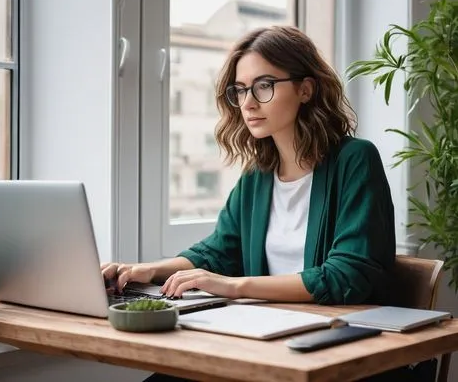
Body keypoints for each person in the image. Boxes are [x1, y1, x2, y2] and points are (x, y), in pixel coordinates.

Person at [103, 26, 404, 382]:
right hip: (269, 340)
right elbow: (218, 252)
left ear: (305, 89)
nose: (248, 102)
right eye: (241, 89)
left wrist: (234, 286)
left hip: (338, 351)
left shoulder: (355, 160)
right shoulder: (257, 175)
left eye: (264, 86)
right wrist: (149, 270)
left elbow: (346, 277)